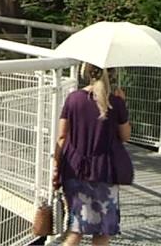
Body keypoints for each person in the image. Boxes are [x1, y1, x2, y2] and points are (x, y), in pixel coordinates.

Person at [52, 63, 131, 246]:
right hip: (105, 171)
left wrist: (56, 168)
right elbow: (125, 136)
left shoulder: (73, 99)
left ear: (87, 72)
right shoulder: (116, 103)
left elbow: (62, 137)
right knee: (102, 232)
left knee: (75, 230)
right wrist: (123, 105)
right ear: (112, 74)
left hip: (74, 168)